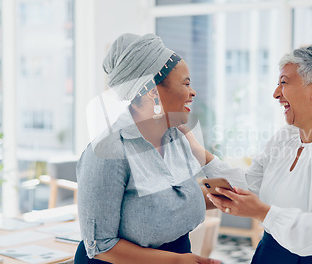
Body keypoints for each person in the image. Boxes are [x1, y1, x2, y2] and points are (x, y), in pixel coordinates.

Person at [180, 44, 312, 263]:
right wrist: (197, 151)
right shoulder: (284, 137)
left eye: (284, 83)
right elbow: (250, 184)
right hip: (271, 251)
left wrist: (263, 213)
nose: (276, 93)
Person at [75, 33, 220, 264]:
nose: (193, 92)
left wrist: (239, 193)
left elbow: (178, 200)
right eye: (186, 83)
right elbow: (100, 245)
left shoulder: (177, 138)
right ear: (152, 91)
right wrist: (176, 261)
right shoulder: (107, 152)